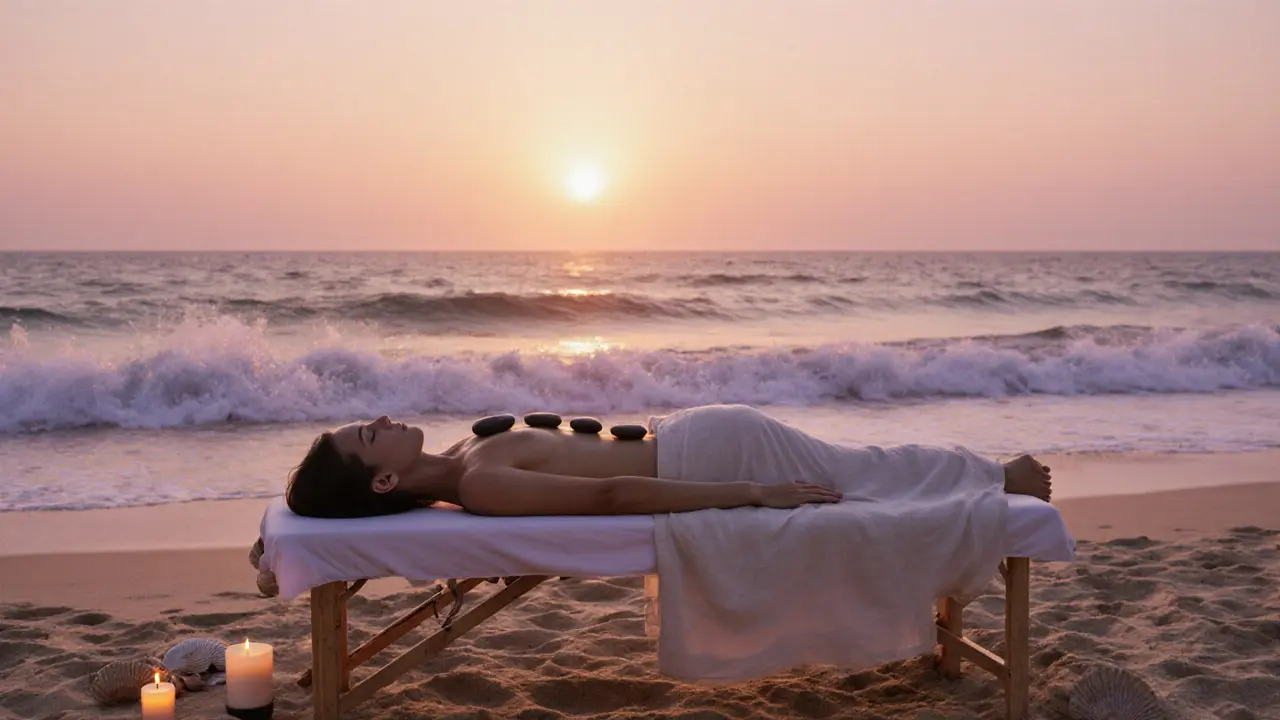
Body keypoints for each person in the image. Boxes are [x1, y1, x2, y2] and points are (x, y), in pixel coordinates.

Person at [285, 405, 1053, 519]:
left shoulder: (463, 453)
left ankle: (991, 476)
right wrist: (754, 492)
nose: (380, 422)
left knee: (864, 468)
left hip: (696, 436)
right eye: (368, 437)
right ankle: (998, 478)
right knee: (862, 472)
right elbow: (612, 495)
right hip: (711, 455)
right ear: (385, 479)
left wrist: (275, 540)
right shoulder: (479, 483)